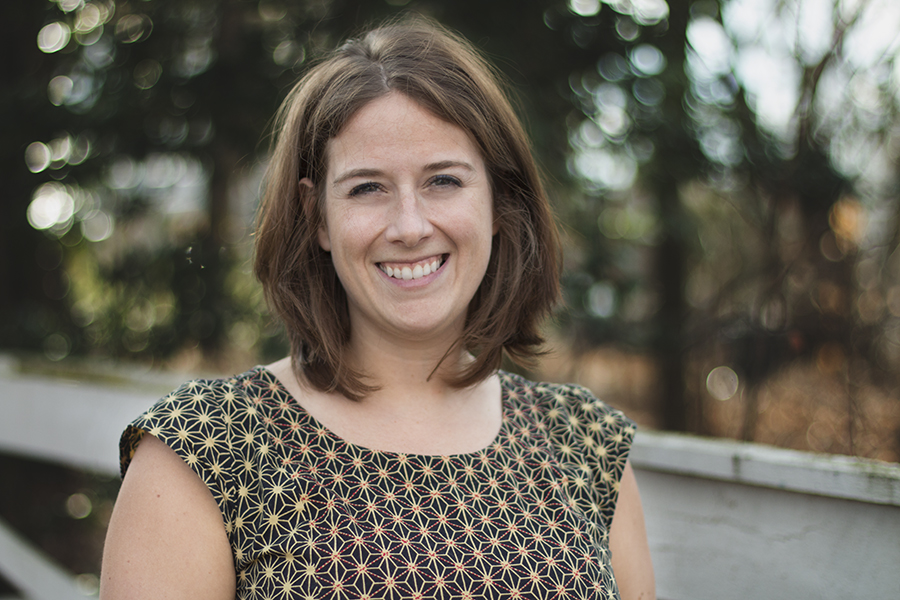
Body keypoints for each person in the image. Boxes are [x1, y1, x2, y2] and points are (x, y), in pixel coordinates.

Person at [100, 16, 655, 600]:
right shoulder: (206, 449)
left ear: (498, 202)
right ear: (316, 216)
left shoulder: (585, 443)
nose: (410, 227)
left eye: (443, 180)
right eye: (367, 188)